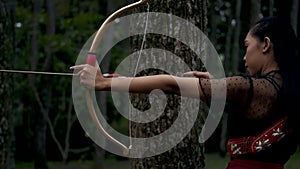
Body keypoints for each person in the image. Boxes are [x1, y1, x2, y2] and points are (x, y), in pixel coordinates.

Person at [71, 16, 300, 169]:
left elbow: (171, 84)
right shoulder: (287, 93)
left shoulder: (247, 87)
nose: (244, 55)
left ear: (266, 44)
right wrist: (217, 84)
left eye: (247, 45)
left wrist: (104, 83)